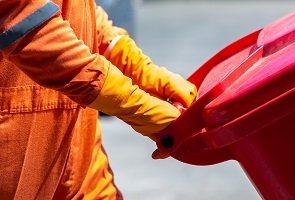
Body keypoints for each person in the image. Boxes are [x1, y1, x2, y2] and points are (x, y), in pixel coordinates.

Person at [0, 0, 197, 199]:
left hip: (78, 143)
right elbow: (22, 19)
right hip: (15, 142)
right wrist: (129, 101)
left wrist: (130, 60)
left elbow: (75, 7)